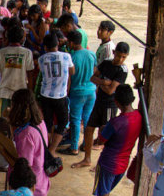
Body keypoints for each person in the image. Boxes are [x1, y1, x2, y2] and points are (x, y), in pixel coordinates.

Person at [75, 41, 130, 169]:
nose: (120, 59)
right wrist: (104, 82)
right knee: (89, 129)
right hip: (98, 101)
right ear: (114, 52)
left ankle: (101, 164)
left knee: (105, 136)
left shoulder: (122, 70)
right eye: (118, 56)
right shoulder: (106, 63)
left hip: (110, 105)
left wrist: (101, 84)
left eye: (123, 57)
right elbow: (92, 78)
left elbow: (111, 91)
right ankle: (87, 159)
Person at [93, 84, 142, 196]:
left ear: (116, 102)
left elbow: (101, 141)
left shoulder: (116, 122)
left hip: (108, 163)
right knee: (106, 194)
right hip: (123, 164)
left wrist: (103, 129)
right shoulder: (138, 116)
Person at [5, 89, 50, 196]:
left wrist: (3, 151)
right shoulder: (40, 122)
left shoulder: (26, 135)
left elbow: (23, 167)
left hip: (29, 189)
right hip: (41, 180)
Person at [37, 31, 75, 157]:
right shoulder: (66, 56)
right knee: (63, 122)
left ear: (45, 47)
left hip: (45, 95)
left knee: (47, 123)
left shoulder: (41, 59)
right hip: (60, 95)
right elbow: (72, 71)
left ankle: (46, 147)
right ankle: (52, 149)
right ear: (58, 44)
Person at [60, 29, 98, 156]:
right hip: (91, 91)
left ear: (71, 43)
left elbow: (69, 79)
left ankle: (74, 147)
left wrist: (66, 94)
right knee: (87, 119)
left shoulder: (72, 58)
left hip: (77, 92)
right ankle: (86, 145)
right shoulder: (91, 54)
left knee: (75, 120)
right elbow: (95, 71)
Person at [0, 24, 34, 116]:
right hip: (21, 92)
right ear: (22, 39)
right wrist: (30, 91)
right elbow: (30, 75)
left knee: (3, 121)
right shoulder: (27, 53)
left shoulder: (1, 52)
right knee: (20, 118)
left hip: (4, 92)